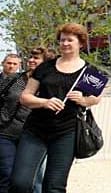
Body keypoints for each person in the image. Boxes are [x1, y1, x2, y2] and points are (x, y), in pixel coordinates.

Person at [10, 23, 104, 193]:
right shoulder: (45, 67)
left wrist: (83, 100)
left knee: (54, 187)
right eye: (62, 40)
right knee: (20, 183)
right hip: (35, 130)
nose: (65, 43)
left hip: (66, 132)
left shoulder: (89, 71)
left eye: (70, 40)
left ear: (80, 43)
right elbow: (25, 97)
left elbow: (95, 99)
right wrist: (44, 102)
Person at [0, 54, 23, 193]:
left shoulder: (24, 82)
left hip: (21, 130)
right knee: (6, 171)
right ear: (3, 63)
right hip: (3, 132)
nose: (11, 66)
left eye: (15, 64)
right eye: (9, 63)